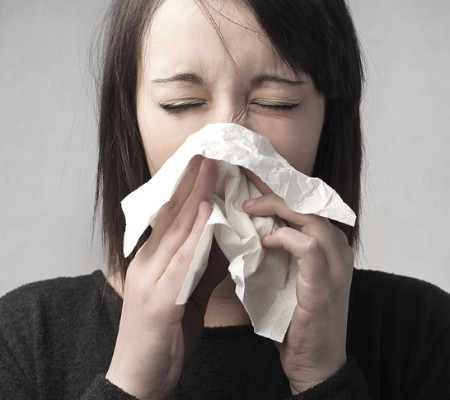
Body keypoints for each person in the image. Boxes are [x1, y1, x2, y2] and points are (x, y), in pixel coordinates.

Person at [1, 0, 449, 399]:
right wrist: (129, 386)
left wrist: (323, 378)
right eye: (180, 102)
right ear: (130, 117)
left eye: (277, 102)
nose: (225, 144)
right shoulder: (24, 338)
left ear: (329, 121)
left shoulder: (424, 332)